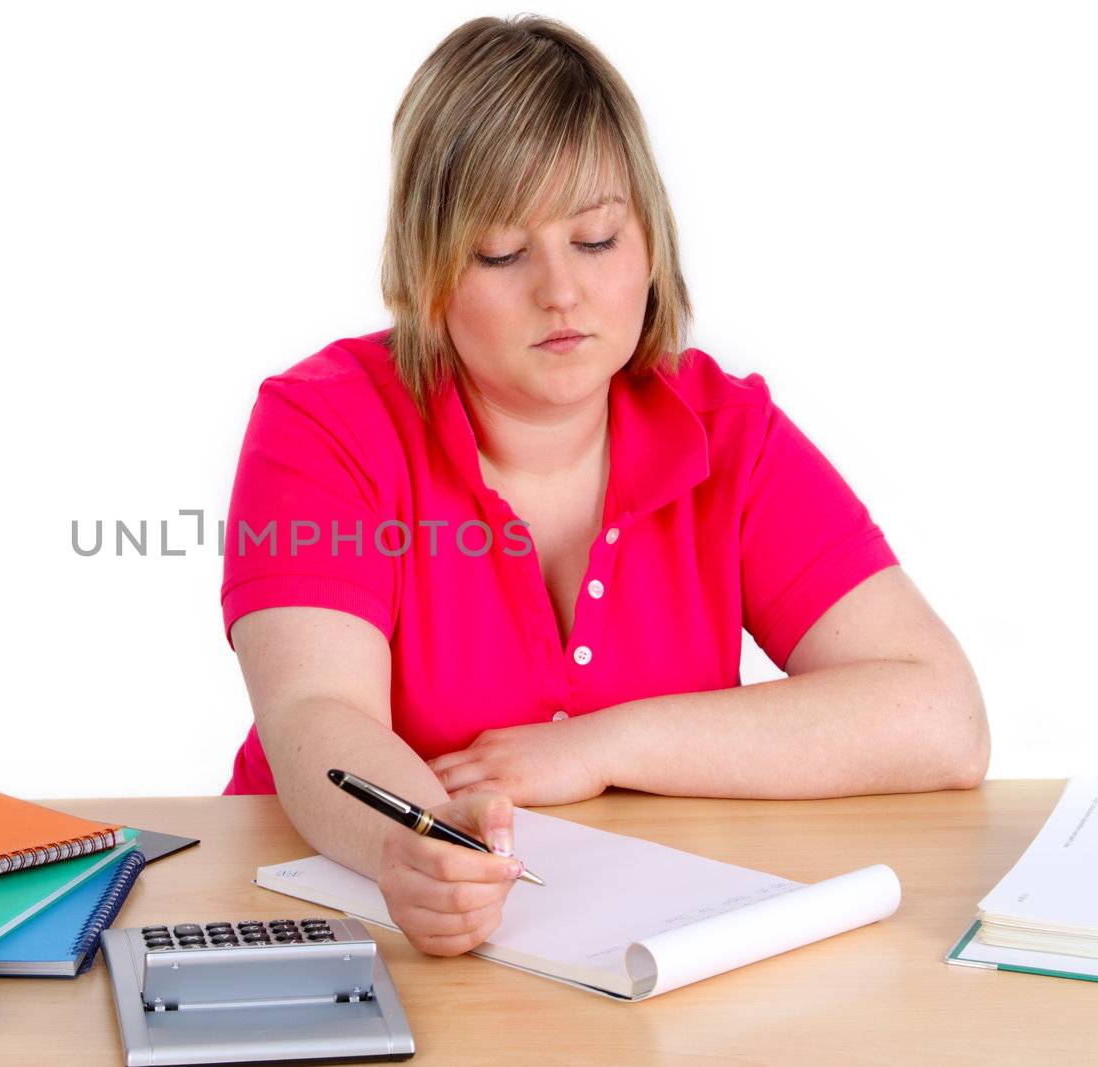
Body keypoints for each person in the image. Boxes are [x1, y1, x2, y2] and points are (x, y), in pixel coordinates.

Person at [219, 15, 988, 957]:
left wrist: (602, 744)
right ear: (425, 274)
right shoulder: (324, 426)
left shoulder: (728, 433)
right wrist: (413, 847)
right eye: (502, 252)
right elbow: (315, 712)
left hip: (634, 950)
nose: (562, 292)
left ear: (650, 244)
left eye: (596, 239)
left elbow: (939, 716)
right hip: (339, 927)